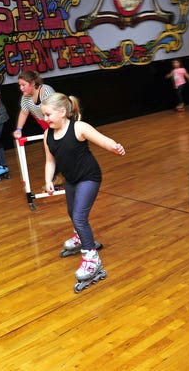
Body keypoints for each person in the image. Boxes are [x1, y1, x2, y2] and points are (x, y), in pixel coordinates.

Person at [41, 93, 126, 290]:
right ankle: (81, 236)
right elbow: (50, 160)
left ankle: (91, 259)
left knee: (79, 217)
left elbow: (102, 140)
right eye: (44, 115)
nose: (45, 119)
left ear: (62, 112)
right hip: (71, 179)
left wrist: (114, 147)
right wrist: (48, 180)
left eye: (48, 115)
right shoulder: (48, 135)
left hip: (89, 177)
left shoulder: (78, 127)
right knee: (72, 213)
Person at [12, 70, 56, 139]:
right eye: (20, 85)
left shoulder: (46, 91)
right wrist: (18, 130)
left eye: (23, 85)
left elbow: (55, 113)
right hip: (45, 124)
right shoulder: (25, 97)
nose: (21, 88)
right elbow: (24, 113)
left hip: (57, 121)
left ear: (32, 83)